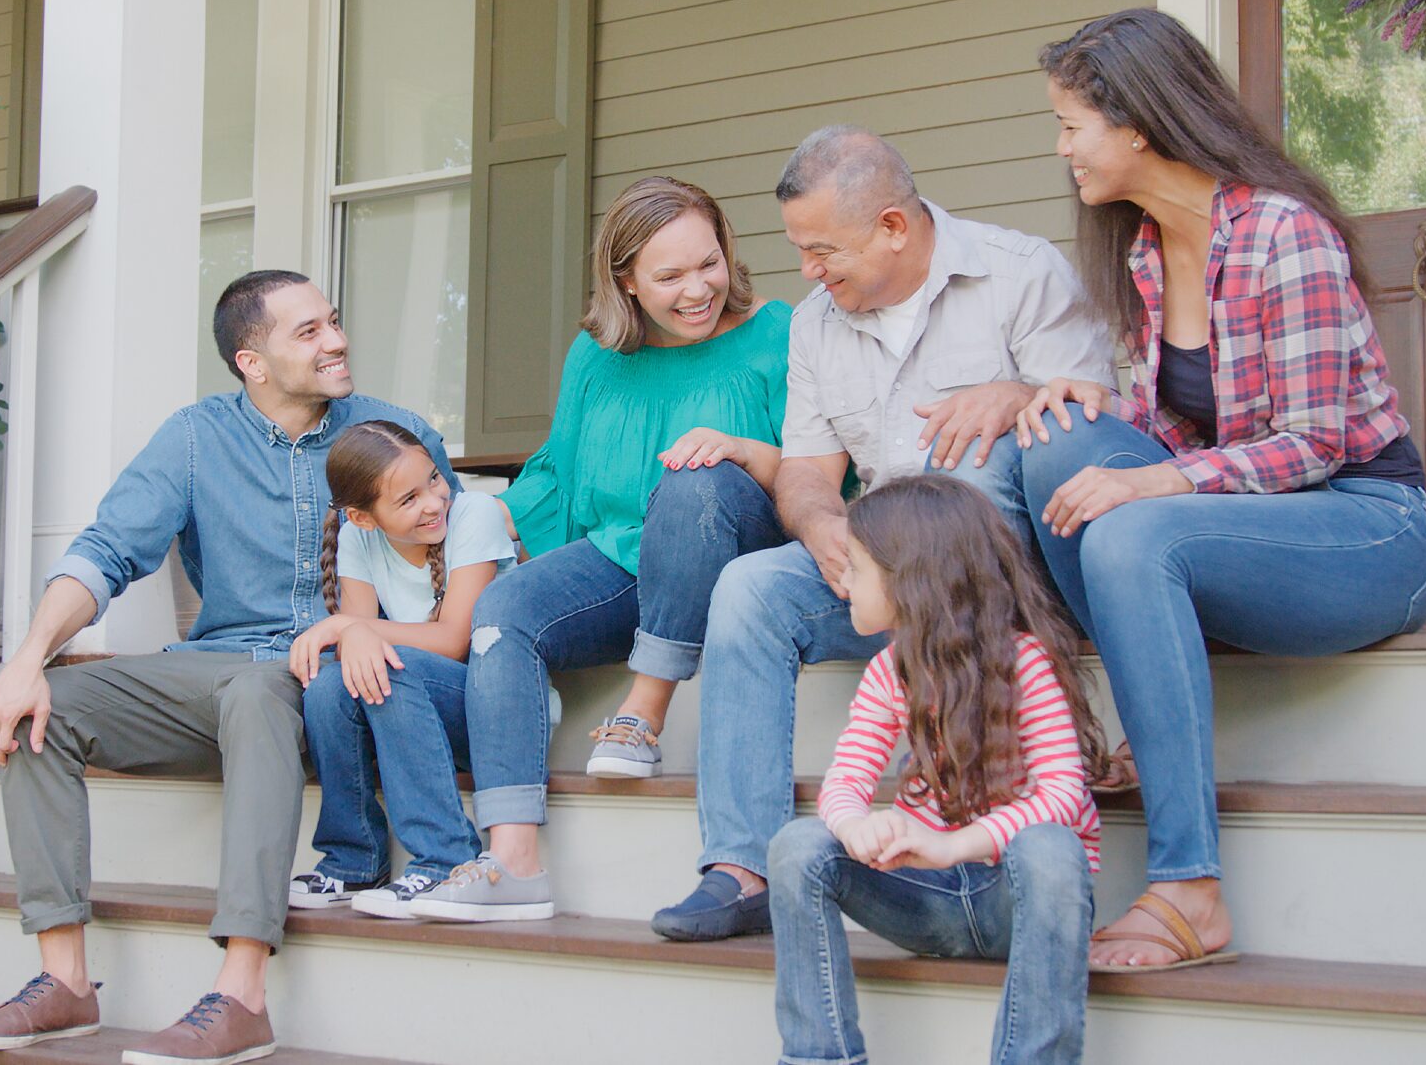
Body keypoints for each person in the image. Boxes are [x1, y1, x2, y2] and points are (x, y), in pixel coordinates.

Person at [1015, 9, 1426, 972]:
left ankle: (1190, 889)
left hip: (1368, 528)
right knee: (1056, 447)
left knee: (1130, 534)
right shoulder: (1142, 257)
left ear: (1137, 123)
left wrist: (1160, 480)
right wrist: (1090, 411)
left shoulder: (1283, 233)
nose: (1062, 148)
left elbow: (1316, 443)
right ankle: (1149, 693)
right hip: (1248, 528)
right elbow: (1170, 442)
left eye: (1071, 124)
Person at [0, 271, 458, 1063]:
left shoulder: (390, 432)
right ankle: (64, 980)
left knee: (259, 690)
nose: (337, 340)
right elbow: (107, 551)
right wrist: (24, 660)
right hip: (214, 670)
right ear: (252, 361)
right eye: (309, 332)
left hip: (332, 679)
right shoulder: (194, 438)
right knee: (45, 705)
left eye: (334, 322)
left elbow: (453, 561)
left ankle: (242, 992)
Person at [653, 125, 1117, 942]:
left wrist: (1014, 392)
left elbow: (1092, 425)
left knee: (971, 476)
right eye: (800, 248)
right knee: (751, 588)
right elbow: (804, 470)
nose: (807, 271)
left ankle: (971, 844)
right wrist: (824, 522)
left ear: (894, 228)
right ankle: (743, 866)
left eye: (822, 249)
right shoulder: (815, 325)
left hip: (992, 589)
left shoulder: (1019, 276)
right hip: (880, 572)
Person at [403, 176, 792, 921]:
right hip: (627, 563)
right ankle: (513, 858)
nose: (697, 289)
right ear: (627, 281)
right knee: (505, 609)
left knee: (692, 477)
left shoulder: (777, 331)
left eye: (708, 264)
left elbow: (817, 474)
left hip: (739, 557)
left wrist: (739, 449)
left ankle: (643, 711)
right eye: (669, 276)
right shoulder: (595, 356)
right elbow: (556, 472)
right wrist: (469, 524)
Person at [769, 474, 1105, 1065]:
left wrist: (955, 846)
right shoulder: (886, 674)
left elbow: (1063, 791)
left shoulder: (1025, 662)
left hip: (1014, 902)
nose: (842, 580)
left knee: (1052, 848)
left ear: (910, 580)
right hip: (925, 901)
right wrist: (856, 827)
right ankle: (819, 1057)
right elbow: (846, 781)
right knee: (798, 844)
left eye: (856, 566)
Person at [283, 420, 516, 915]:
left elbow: (453, 641)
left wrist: (349, 626)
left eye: (433, 480)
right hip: (424, 710)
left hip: (501, 714)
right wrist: (352, 629)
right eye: (408, 500)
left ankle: (445, 860)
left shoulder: (475, 515)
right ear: (364, 518)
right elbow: (359, 641)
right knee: (328, 687)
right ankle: (354, 859)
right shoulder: (357, 538)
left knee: (390, 665)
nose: (433, 502)